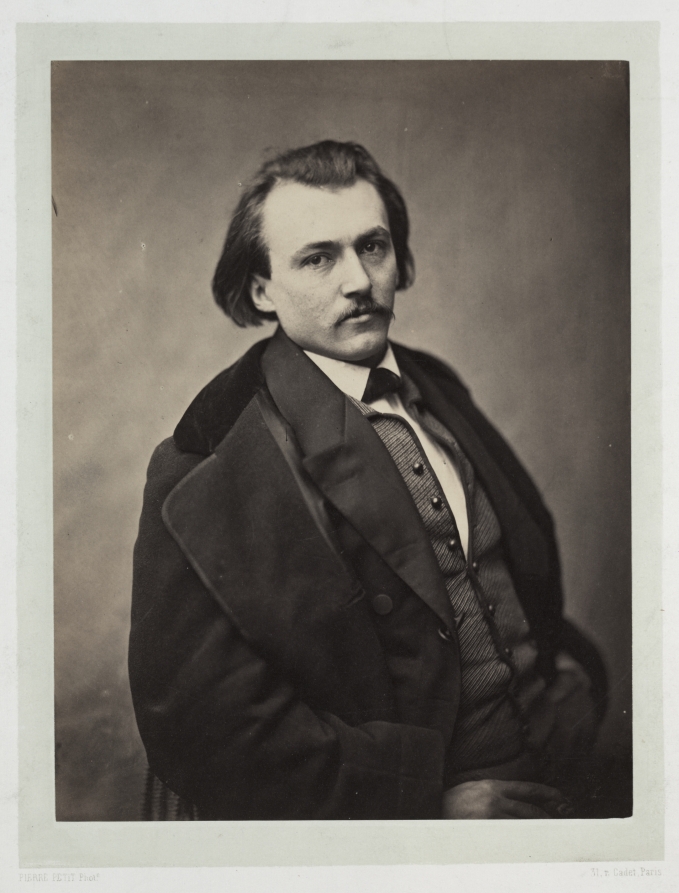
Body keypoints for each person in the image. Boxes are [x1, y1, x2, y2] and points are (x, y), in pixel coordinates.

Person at [129, 140, 607, 821]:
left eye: (372, 247)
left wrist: (574, 686)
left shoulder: (435, 385)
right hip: (415, 823)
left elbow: (509, 582)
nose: (358, 280)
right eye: (318, 258)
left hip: (558, 771)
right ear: (261, 288)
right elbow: (207, 724)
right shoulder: (207, 458)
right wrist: (428, 803)